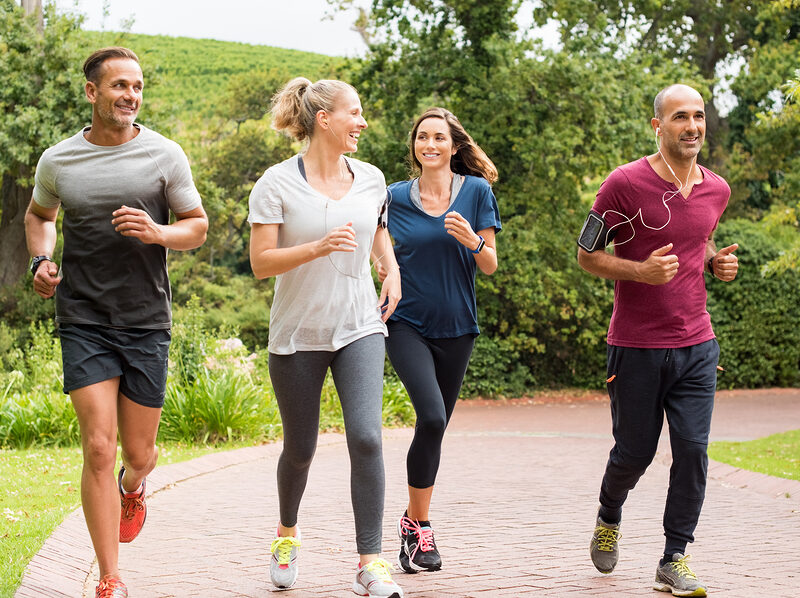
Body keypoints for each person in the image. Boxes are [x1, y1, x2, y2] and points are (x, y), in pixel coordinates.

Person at [25, 47, 208, 598]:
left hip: (146, 318)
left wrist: (157, 232)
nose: (130, 95)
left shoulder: (164, 155)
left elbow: (196, 226)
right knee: (98, 448)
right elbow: (40, 216)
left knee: (138, 454)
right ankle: (110, 577)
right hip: (83, 315)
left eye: (137, 86)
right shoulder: (58, 161)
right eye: (119, 86)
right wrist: (41, 260)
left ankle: (135, 486)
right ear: (92, 92)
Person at [576, 84, 739, 597]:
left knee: (692, 451)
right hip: (636, 345)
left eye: (699, 116)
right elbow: (586, 254)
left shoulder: (717, 189)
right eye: (679, 117)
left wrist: (714, 261)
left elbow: (700, 236)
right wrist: (640, 272)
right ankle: (609, 513)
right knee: (634, 454)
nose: (692, 126)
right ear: (657, 126)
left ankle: (674, 556)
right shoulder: (623, 184)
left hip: (696, 343)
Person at [248, 77, 403, 598]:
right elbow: (260, 262)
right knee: (300, 448)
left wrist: (391, 270)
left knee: (367, 436)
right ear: (324, 120)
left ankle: (371, 561)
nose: (362, 122)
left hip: (359, 325)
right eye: (354, 113)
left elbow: (379, 232)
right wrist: (316, 248)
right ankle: (287, 533)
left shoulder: (372, 178)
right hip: (297, 334)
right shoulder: (276, 183)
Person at [382, 107, 501, 574]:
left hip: (458, 326)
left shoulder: (476, 192)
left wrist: (473, 240)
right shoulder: (393, 196)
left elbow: (490, 263)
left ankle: (411, 526)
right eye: (422, 137)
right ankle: (423, 526)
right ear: (415, 146)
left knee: (435, 427)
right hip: (403, 321)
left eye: (438, 137)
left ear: (454, 146)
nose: (429, 144)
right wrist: (384, 266)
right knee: (430, 415)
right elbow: (379, 248)